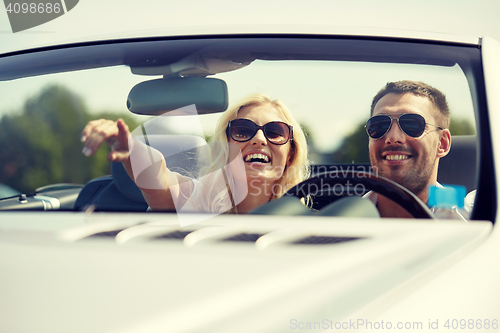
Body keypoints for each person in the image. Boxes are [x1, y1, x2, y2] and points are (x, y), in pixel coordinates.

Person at [81, 93, 310, 214]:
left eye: (275, 132)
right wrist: (130, 147)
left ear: (291, 153)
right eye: (243, 130)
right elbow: (160, 178)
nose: (259, 139)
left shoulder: (312, 219)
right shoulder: (203, 200)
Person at [364, 80, 454, 218]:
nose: (393, 137)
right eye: (379, 125)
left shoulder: (477, 219)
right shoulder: (338, 226)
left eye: (412, 124)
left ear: (442, 143)